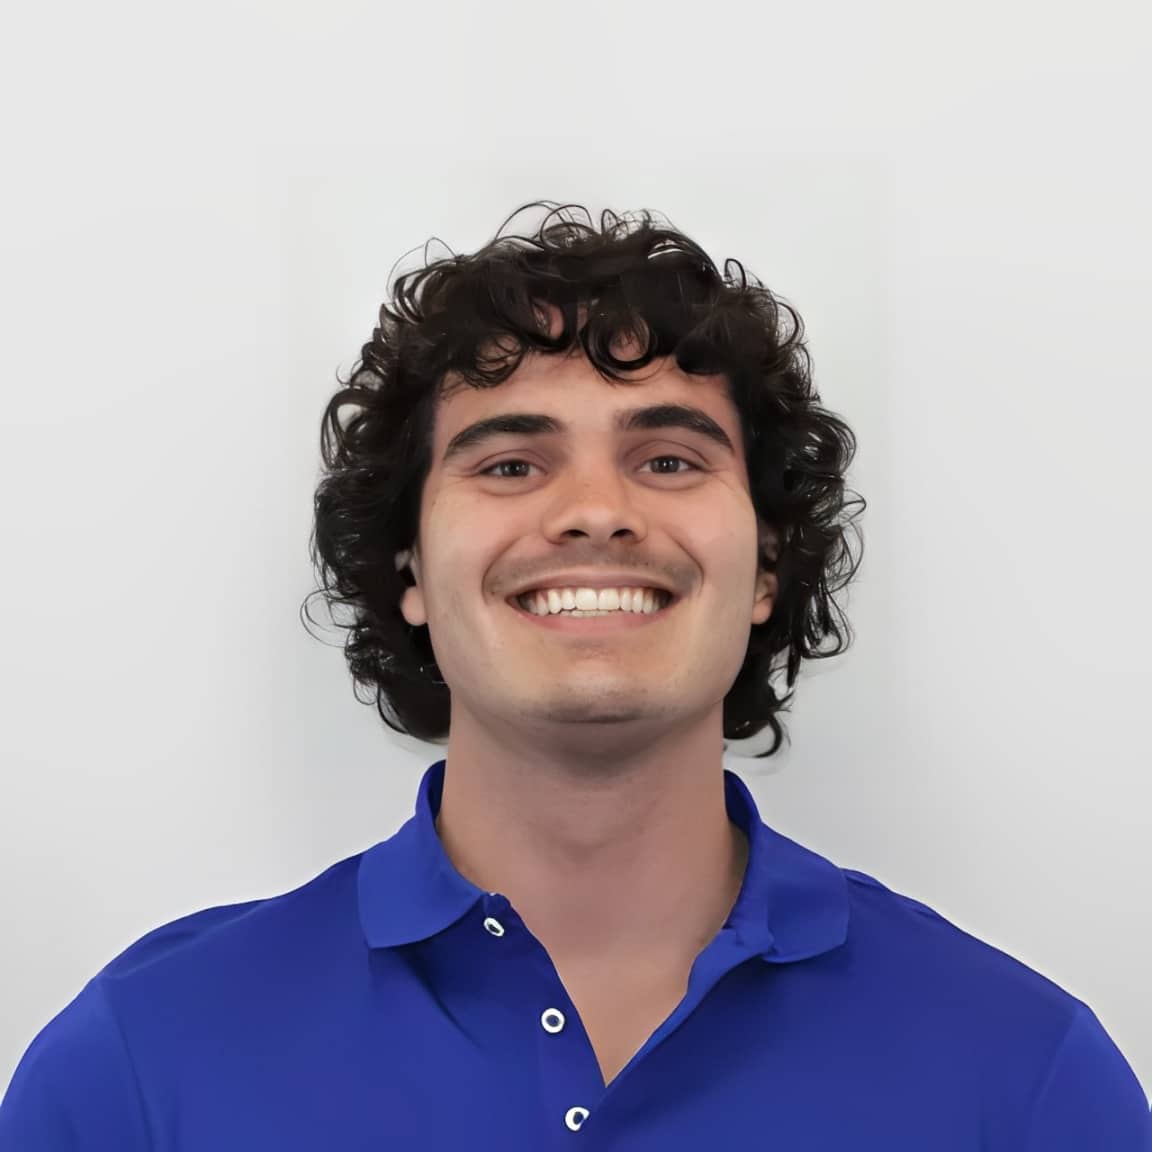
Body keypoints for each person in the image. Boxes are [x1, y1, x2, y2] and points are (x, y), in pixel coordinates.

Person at [2, 202, 1148, 1149]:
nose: (597, 511)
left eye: (669, 458)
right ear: (409, 569)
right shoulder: (142, 1065)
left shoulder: (1025, 1077)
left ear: (765, 569)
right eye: (510, 463)